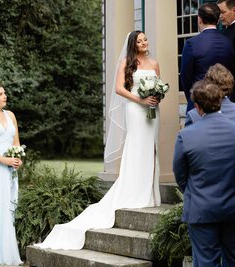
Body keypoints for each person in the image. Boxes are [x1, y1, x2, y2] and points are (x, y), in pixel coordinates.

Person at [37, 31, 162, 250]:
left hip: (152, 109)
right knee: (135, 145)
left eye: (145, 39)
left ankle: (149, 193)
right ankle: (132, 190)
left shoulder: (154, 62)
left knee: (149, 146)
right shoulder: (126, 62)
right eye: (139, 40)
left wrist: (155, 97)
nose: (144, 43)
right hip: (135, 109)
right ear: (134, 44)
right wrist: (140, 100)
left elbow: (159, 84)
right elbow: (119, 88)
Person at [173, 81, 235, 266]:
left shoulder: (186, 136)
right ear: (220, 101)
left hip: (201, 208)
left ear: (197, 107)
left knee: (205, 262)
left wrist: (193, 190)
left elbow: (180, 174)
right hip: (234, 206)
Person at [180, 2, 235, 112]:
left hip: (199, 104)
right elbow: (232, 72)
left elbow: (185, 77)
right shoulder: (228, 42)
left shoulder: (192, 44)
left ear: (199, 19)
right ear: (218, 20)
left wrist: (192, 99)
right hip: (223, 104)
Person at [0, 84, 23, 265]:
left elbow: (17, 143)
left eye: (4, 93)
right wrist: (4, 160)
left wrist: (18, 159)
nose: (5, 96)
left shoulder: (11, 115)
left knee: (9, 209)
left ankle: (7, 250)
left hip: (11, 171)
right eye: (0, 94)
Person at [217, 0, 235, 106]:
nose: (220, 16)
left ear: (234, 10)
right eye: (218, 13)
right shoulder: (223, 31)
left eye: (223, 12)